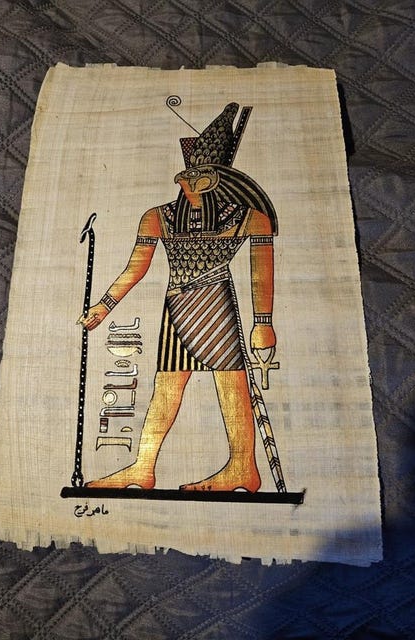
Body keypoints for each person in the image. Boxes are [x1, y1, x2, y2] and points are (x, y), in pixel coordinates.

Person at [79, 103, 278, 492]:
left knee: (232, 382)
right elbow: (136, 268)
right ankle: (143, 467)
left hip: (216, 302)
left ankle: (243, 467)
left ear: (220, 180)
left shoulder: (251, 218)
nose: (191, 186)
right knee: (167, 385)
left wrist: (263, 324)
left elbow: (261, 274)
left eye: (202, 179)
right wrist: (104, 305)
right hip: (177, 307)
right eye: (188, 178)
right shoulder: (157, 217)